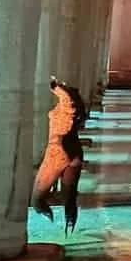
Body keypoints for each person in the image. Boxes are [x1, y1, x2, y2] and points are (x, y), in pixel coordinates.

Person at [32, 79, 88, 234]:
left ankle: (58, 224)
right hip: (73, 153)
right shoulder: (72, 110)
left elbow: (66, 98)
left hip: (58, 153)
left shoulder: (68, 108)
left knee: (37, 200)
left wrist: (54, 86)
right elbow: (67, 97)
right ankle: (68, 229)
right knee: (69, 197)